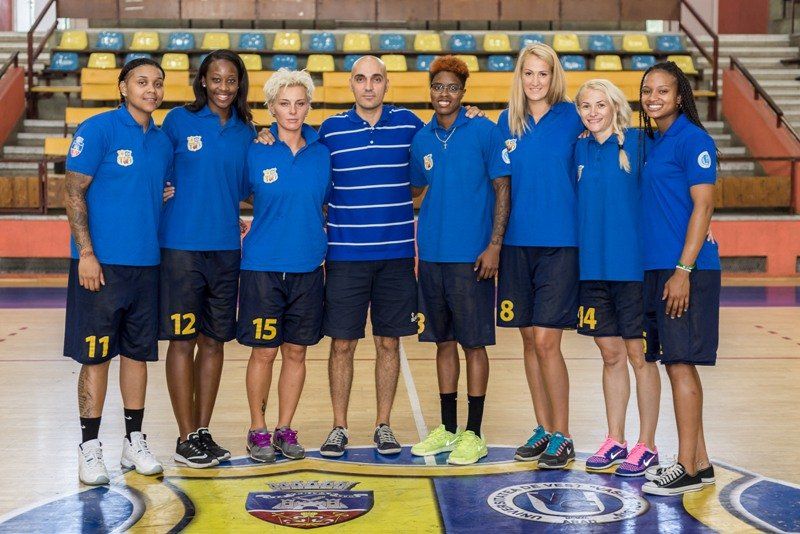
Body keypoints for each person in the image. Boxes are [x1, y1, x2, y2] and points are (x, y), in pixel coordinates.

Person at [258, 56, 483, 457]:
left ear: (386, 84)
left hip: (396, 256)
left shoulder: (410, 125)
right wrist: (265, 133)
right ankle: (339, 426)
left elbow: (432, 155)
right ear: (351, 84)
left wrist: (472, 113)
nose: (368, 86)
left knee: (388, 343)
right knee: (342, 344)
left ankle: (383, 425)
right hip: (345, 256)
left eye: (376, 79)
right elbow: (298, 152)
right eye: (361, 79)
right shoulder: (330, 131)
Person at [64, 57, 173, 485]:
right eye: (142, 82)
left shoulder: (161, 141)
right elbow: (73, 193)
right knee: (95, 357)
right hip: (101, 265)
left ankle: (133, 441)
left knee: (137, 356)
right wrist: (86, 253)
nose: (151, 89)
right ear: (123, 86)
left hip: (146, 265)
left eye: (158, 83)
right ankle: (89, 447)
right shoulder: (98, 129)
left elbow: (157, 190)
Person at [409, 55, 510, 465]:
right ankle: (448, 429)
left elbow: (502, 189)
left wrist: (495, 245)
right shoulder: (422, 138)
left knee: (474, 344)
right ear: (430, 91)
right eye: (438, 87)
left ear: (463, 92)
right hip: (432, 257)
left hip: (473, 258)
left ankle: (474, 433)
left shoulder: (484, 131)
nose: (444, 94)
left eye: (452, 87)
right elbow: (415, 189)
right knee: (443, 342)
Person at [159, 50, 255, 468]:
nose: (223, 88)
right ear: (202, 81)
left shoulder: (247, 131)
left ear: (239, 84)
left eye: (231, 80)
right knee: (182, 340)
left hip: (226, 249)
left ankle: (201, 431)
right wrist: (160, 188)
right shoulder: (177, 121)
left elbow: (251, 186)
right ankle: (184, 438)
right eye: (215, 79)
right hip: (181, 247)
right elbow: (153, 166)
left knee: (214, 342)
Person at [496, 44, 585, 469]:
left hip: (560, 244)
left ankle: (564, 434)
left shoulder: (574, 118)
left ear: (554, 76)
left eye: (542, 73)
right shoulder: (506, 121)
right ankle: (544, 428)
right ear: (520, 76)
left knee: (548, 341)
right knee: (529, 339)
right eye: (528, 73)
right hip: (516, 244)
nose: (535, 81)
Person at [238, 69, 331, 463]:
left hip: (308, 267)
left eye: (300, 103)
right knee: (264, 352)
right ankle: (257, 428)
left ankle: (284, 428)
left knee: (296, 352)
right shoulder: (254, 149)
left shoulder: (322, 153)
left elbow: (326, 202)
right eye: (284, 103)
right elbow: (235, 192)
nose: (292, 110)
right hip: (262, 267)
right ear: (271, 107)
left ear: (308, 107)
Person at [637, 62, 721, 496]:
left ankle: (685, 466)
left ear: (680, 95)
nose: (653, 98)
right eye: (647, 90)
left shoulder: (694, 139)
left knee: (680, 364)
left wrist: (683, 271)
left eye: (663, 91)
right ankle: (701, 463)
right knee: (674, 363)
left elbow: (704, 207)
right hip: (657, 269)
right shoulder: (652, 141)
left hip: (685, 270)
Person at [573, 79, 661, 477]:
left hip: (633, 270)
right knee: (610, 355)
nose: (593, 113)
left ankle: (648, 444)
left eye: (600, 105)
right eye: (585, 106)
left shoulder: (641, 142)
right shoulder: (578, 147)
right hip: (593, 270)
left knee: (640, 357)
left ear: (614, 107)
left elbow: (674, 182)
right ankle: (615, 439)